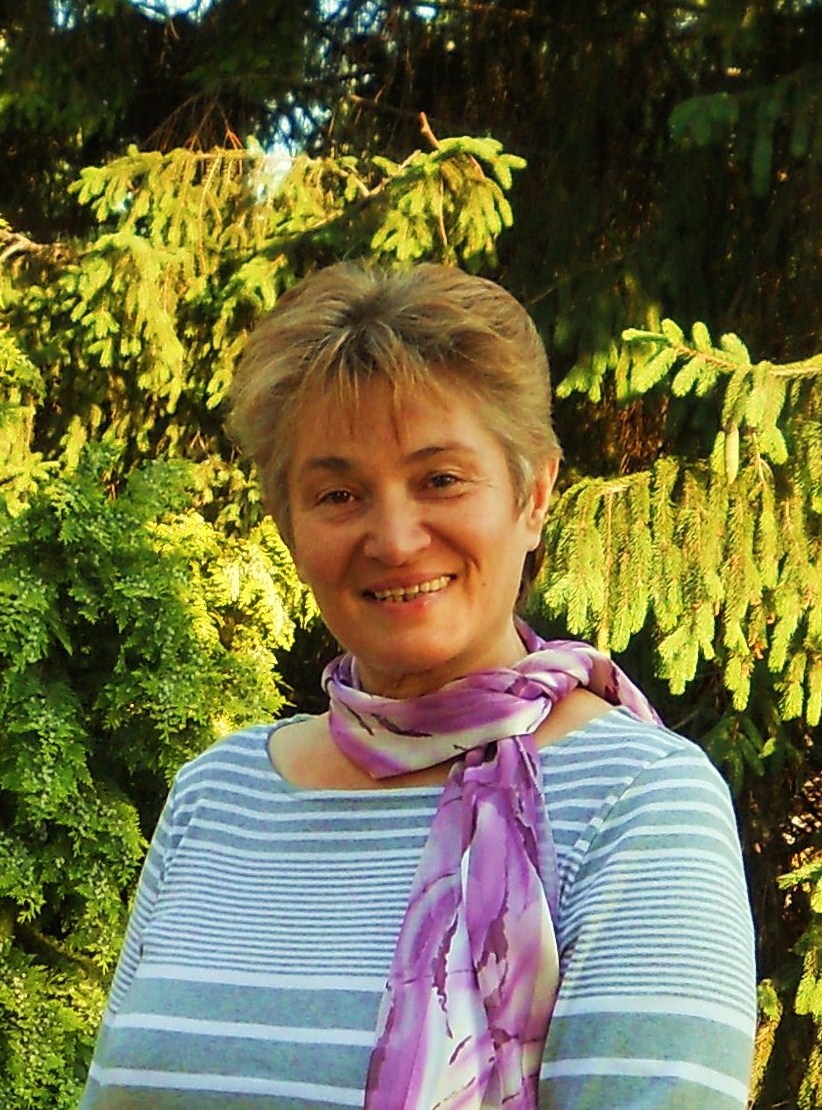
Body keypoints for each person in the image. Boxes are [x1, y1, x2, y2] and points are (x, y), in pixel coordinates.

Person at [81, 263, 757, 1109]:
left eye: (440, 479)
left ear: (533, 495)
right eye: (339, 494)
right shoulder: (216, 796)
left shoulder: (639, 801)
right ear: (290, 526)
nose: (396, 540)